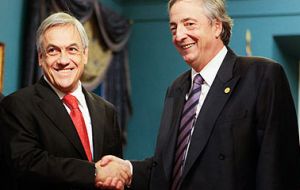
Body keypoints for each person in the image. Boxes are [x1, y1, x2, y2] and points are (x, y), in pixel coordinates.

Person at [99, 0, 300, 189]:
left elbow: (278, 168)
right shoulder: (176, 89)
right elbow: (170, 167)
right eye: (173, 27)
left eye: (189, 24)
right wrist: (128, 169)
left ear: (217, 27)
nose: (179, 35)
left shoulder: (261, 76)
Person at [0, 12, 130, 190]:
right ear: (40, 58)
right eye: (53, 50)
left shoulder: (107, 111)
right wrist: (93, 172)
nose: (63, 60)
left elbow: (114, 176)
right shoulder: (16, 106)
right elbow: (27, 164)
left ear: (84, 55)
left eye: (72, 49)